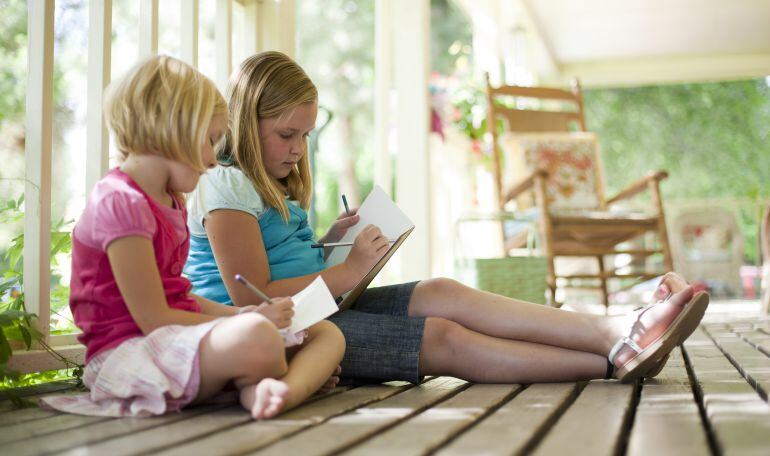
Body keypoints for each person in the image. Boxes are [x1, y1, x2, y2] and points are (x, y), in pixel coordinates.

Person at [184, 51, 708, 386]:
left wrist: (331, 243)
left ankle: (613, 329)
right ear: (245, 122)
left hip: (319, 306)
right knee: (443, 338)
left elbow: (280, 259)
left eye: (306, 136)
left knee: (442, 289)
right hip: (287, 332)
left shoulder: (267, 183)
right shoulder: (224, 184)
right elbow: (247, 296)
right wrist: (344, 272)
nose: (299, 149)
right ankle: (611, 360)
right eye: (287, 135)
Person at [41, 55, 344, 419]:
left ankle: (278, 389)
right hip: (131, 354)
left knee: (324, 333)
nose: (214, 159)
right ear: (171, 132)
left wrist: (246, 312)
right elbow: (154, 318)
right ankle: (272, 376)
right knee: (258, 338)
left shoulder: (170, 201)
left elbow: (182, 299)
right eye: (210, 141)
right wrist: (243, 323)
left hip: (175, 341)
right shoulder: (120, 203)